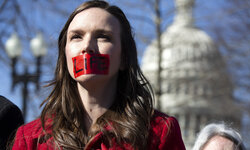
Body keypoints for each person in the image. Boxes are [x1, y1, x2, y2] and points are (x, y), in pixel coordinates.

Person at [12, 0, 185, 149]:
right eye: (76, 37)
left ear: (124, 58)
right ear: (65, 57)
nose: (87, 46)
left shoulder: (159, 132)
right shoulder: (29, 139)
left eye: (103, 37)